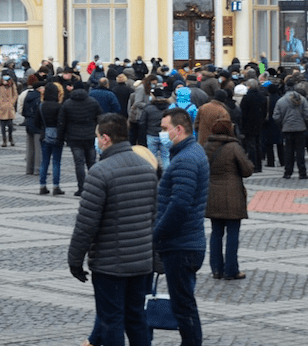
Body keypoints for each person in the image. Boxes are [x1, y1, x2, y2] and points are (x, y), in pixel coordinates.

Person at [68, 113, 157, 346]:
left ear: (105, 138)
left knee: (111, 320)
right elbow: (153, 217)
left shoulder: (100, 172)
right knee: (136, 318)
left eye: (97, 136)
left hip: (110, 264)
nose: (96, 140)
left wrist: (75, 260)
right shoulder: (147, 168)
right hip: (141, 261)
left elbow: (86, 224)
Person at [155, 108, 209, 345]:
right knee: (184, 302)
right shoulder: (191, 152)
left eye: (164, 129)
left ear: (178, 129)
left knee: (183, 305)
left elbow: (179, 205)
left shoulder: (186, 159)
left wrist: (157, 234)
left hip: (181, 245)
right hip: (188, 241)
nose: (162, 134)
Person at [204, 118, 254, 280]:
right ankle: (231, 270)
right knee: (232, 234)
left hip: (212, 194)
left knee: (216, 233)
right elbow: (247, 170)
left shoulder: (206, 146)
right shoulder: (234, 147)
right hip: (232, 196)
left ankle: (216, 269)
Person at [59, 87, 102, 197]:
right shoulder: (93, 102)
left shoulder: (67, 103)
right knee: (91, 163)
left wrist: (61, 137)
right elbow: (100, 117)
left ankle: (81, 187)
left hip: (74, 137)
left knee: (79, 163)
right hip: (89, 136)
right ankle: (94, 187)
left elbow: (62, 122)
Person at [273, 81, 308, 179]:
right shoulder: (302, 99)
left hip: (287, 129)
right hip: (301, 128)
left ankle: (288, 172)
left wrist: (282, 125)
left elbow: (276, 116)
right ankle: (302, 172)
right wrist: (305, 124)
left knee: (288, 151)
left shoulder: (281, 101)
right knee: (300, 152)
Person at [39, 83, 66, 195]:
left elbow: (36, 122)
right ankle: (56, 186)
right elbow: (62, 122)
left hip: (44, 135)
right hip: (57, 136)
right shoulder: (59, 106)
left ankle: (42, 185)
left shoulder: (41, 106)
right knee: (56, 162)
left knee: (44, 162)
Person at [0, 73, 19, 147]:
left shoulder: (12, 85)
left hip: (9, 108)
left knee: (10, 125)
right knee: (2, 126)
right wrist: (0, 103)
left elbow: (15, 95)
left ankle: (11, 139)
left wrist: (12, 102)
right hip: (2, 108)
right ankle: (4, 140)